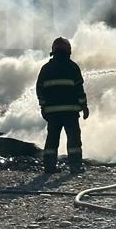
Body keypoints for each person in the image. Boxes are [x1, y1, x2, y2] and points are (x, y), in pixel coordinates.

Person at [35, 37, 89, 173]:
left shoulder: (46, 68)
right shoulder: (72, 67)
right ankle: (75, 166)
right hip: (71, 112)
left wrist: (43, 107)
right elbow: (79, 90)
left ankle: (49, 167)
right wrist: (84, 106)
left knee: (52, 140)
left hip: (52, 113)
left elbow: (39, 89)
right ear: (68, 51)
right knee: (73, 141)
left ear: (53, 51)